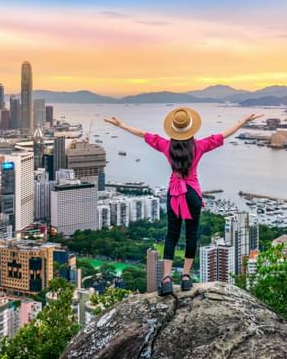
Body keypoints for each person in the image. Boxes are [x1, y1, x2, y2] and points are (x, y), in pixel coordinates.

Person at [105, 107, 263, 295]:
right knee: (191, 234)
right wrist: (243, 121)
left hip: (174, 194)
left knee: (171, 235)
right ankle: (186, 277)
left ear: (173, 128)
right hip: (193, 194)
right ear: (190, 128)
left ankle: (166, 279)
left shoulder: (166, 146)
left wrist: (121, 125)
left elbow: (143, 135)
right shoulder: (200, 146)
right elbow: (223, 135)